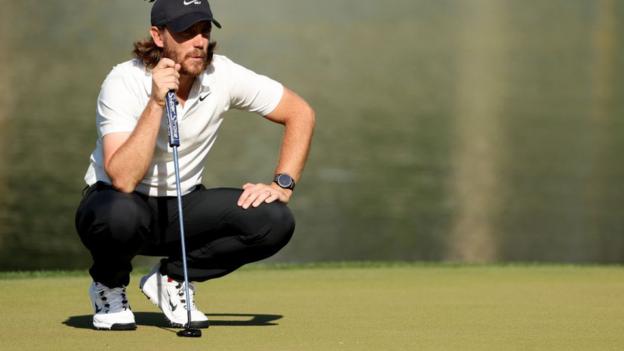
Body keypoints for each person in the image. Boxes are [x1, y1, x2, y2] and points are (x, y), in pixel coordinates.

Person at [75, 0, 315, 331]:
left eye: (203, 30)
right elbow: (123, 179)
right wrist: (157, 101)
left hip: (181, 208)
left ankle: (171, 279)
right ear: (158, 36)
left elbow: (300, 113)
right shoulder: (124, 80)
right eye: (187, 32)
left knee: (273, 219)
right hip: (118, 205)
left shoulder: (223, 74)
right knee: (120, 214)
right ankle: (109, 285)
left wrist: (281, 185)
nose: (199, 41)